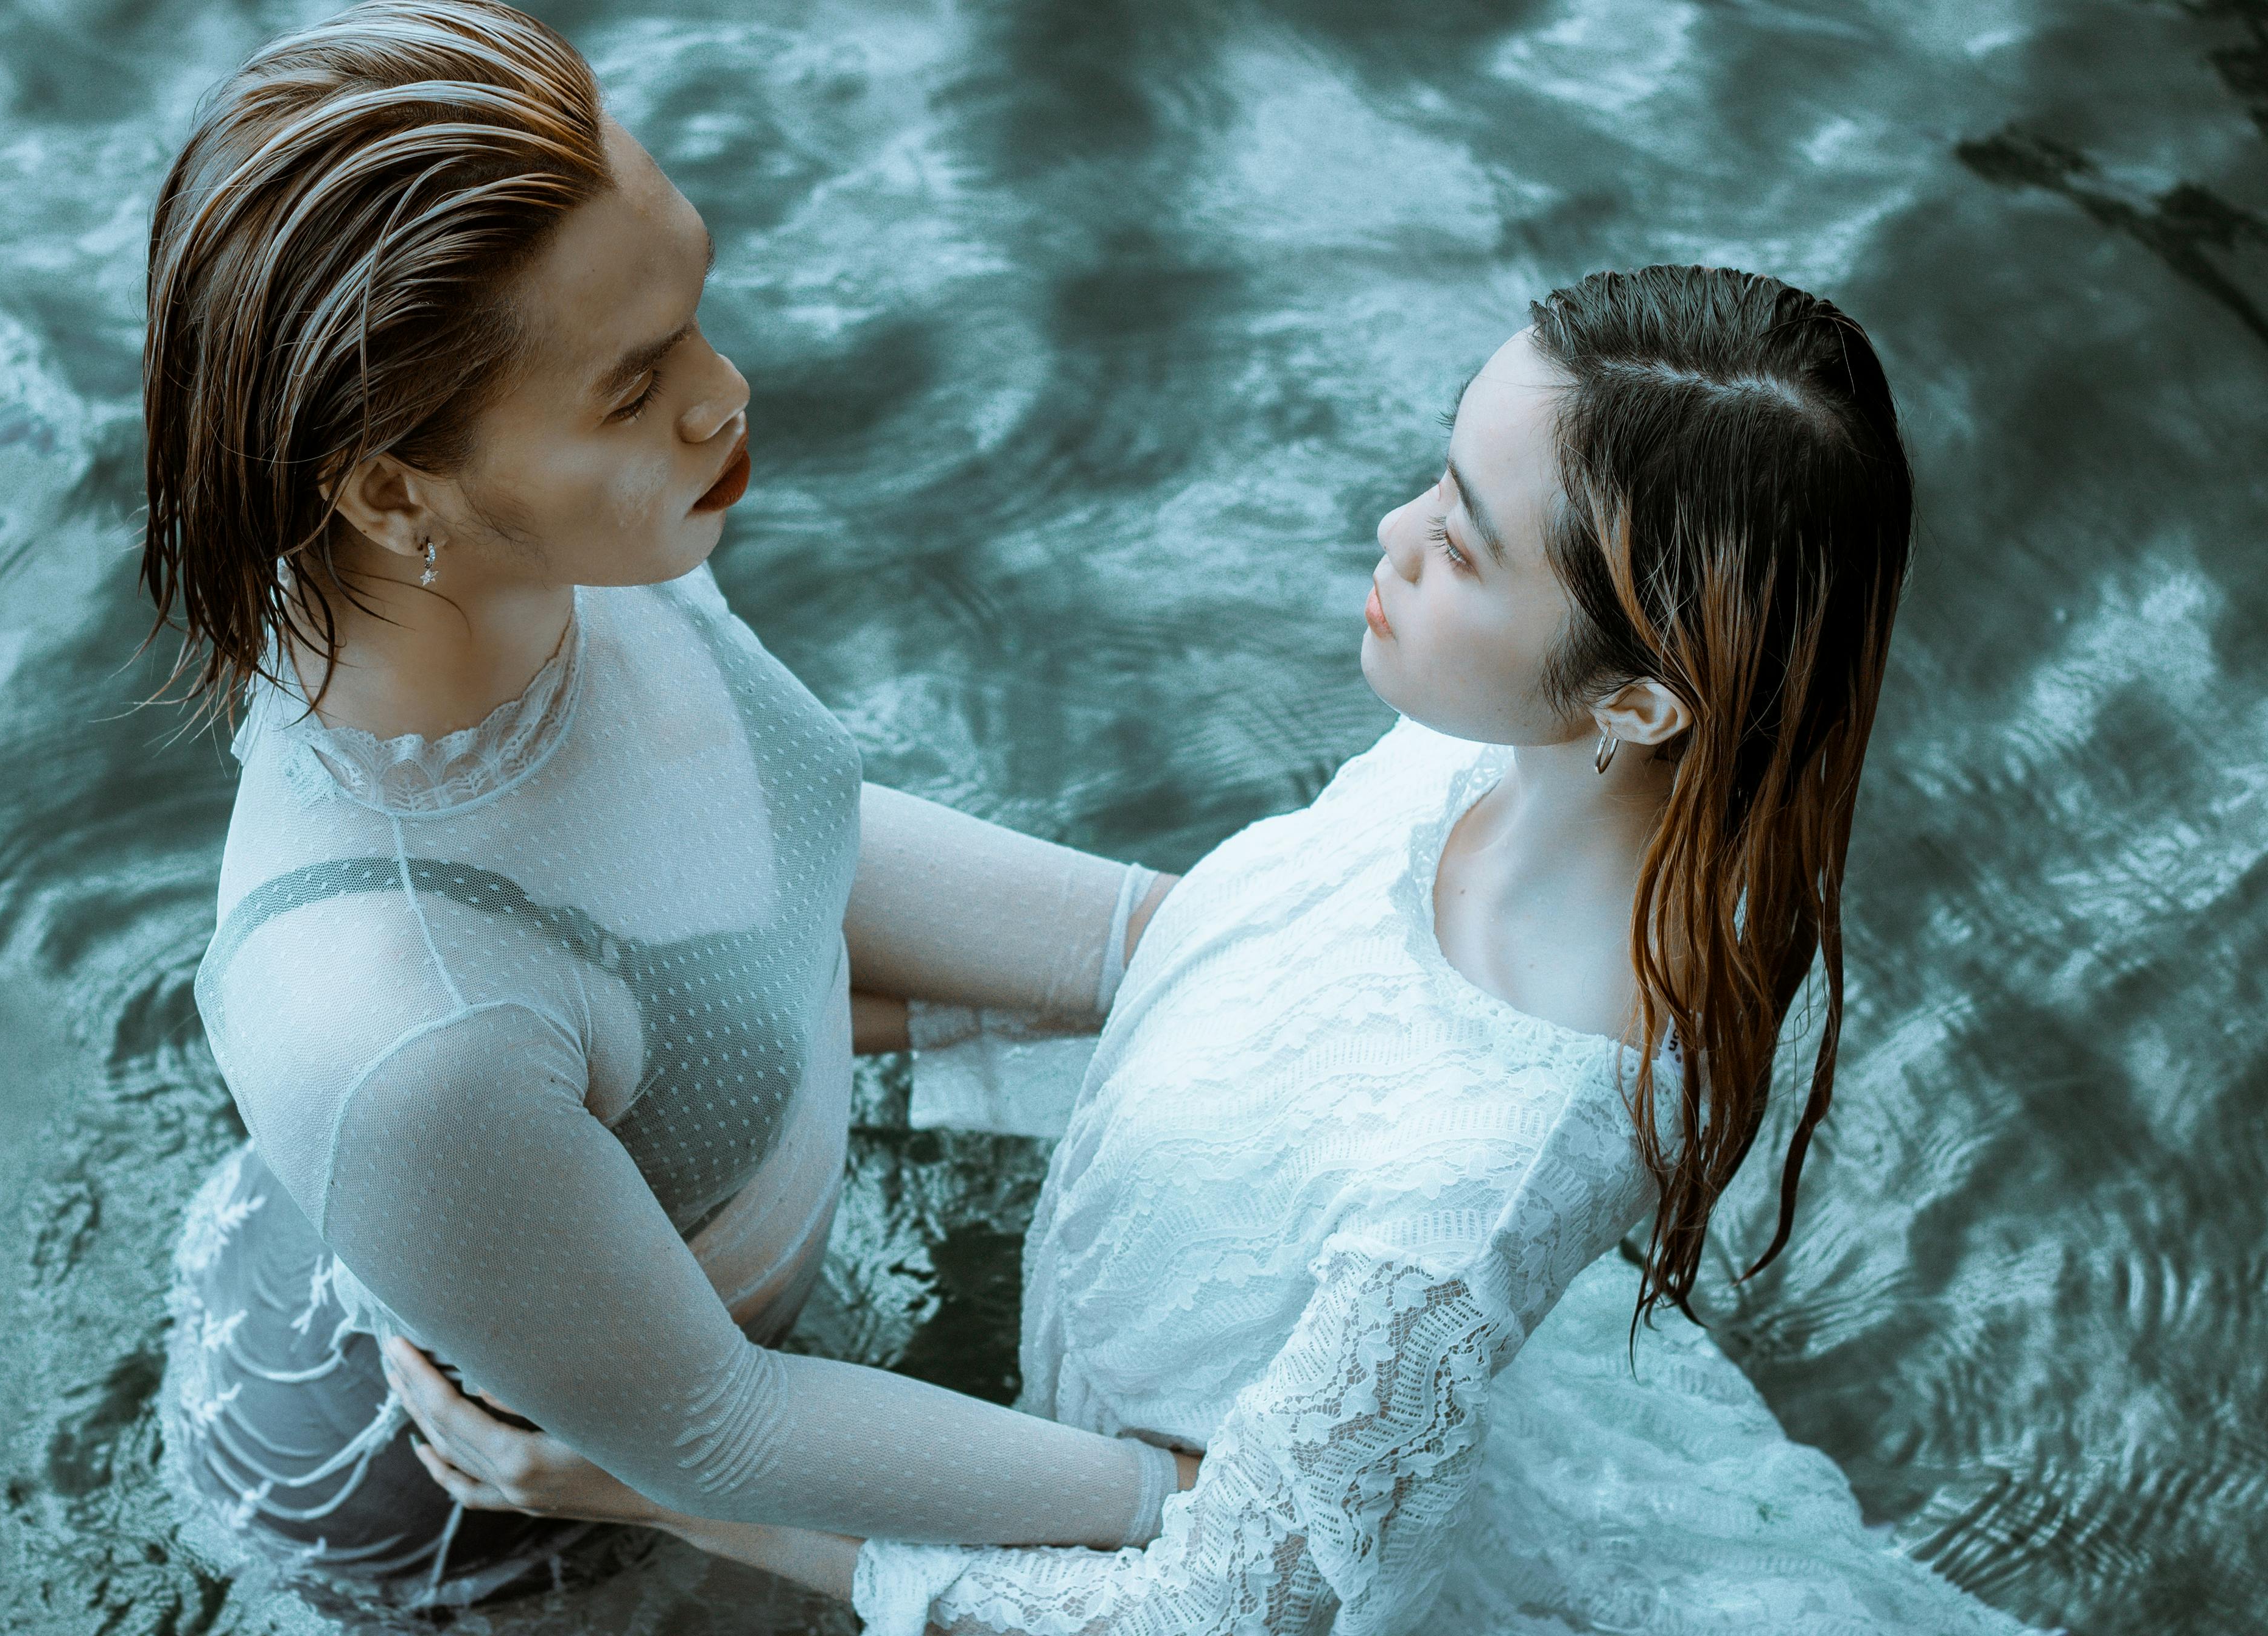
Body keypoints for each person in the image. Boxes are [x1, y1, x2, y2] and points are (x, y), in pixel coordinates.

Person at [387, 269, 2065, 1636]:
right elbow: (1251, 999)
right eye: (1440, 473)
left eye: (1465, 546)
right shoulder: (1473, 758)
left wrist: (657, 1482)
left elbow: (1213, 1611)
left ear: (1637, 698)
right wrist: (770, 1021)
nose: (1395, 531)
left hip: (1150, 1541)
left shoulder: (1481, 1174)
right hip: (1132, 1378)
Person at [142, 0, 1204, 1615]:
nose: (727, 396)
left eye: (695, 314)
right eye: (637, 389)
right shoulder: (395, 1009)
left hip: (557, 1255)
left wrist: (1198, 945)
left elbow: (773, 851)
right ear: (386, 490)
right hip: (489, 1526)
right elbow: (713, 1423)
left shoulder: (569, 556)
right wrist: (1191, 1492)